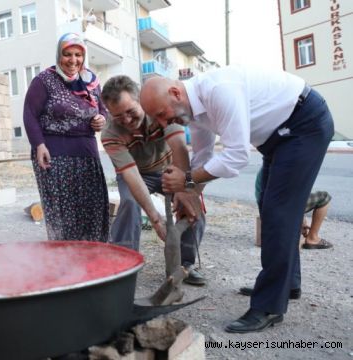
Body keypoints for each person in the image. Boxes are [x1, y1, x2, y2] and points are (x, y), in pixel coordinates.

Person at [140, 65, 334, 333]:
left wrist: (186, 181)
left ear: (175, 92)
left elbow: (236, 156)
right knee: (271, 209)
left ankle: (269, 306)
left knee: (280, 213)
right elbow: (204, 155)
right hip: (276, 139)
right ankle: (286, 284)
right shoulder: (193, 110)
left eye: (162, 115)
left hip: (303, 124)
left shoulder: (219, 91)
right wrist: (190, 192)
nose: (164, 123)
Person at [100, 75, 206, 286]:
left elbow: (178, 147)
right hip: (136, 173)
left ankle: (185, 264)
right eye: (119, 116)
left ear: (140, 100)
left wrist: (185, 189)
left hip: (168, 168)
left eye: (131, 112)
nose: (127, 121)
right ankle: (124, 263)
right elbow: (131, 175)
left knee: (194, 205)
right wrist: (156, 219)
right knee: (129, 204)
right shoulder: (110, 133)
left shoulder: (159, 109)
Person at [23, 33, 109, 242]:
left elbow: (103, 109)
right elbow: (29, 114)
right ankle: (64, 259)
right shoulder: (44, 80)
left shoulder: (91, 81)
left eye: (78, 54)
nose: (73, 60)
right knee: (63, 210)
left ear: (83, 56)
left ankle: (92, 256)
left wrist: (101, 119)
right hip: (54, 154)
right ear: (59, 55)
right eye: (67, 54)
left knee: (93, 206)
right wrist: (39, 145)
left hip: (87, 153)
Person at [253, 168, 334, 250]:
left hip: (266, 210)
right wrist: (300, 222)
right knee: (324, 197)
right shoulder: (290, 165)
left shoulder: (266, 166)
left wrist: (300, 222)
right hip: (281, 207)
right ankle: (312, 238)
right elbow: (296, 198)